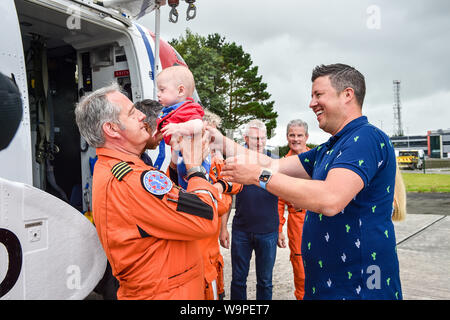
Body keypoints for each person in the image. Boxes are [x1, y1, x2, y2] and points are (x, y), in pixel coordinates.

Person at [212, 63, 402, 300]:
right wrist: (218, 140)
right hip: (326, 286)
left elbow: (330, 199)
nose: (311, 103)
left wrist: (256, 176)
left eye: (318, 94)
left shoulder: (365, 137)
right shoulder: (330, 148)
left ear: (347, 95)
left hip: (358, 287)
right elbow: (272, 164)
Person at [74, 83, 220, 300]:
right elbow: (205, 218)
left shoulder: (116, 168)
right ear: (111, 129)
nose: (143, 115)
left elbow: (162, 211)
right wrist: (196, 170)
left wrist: (172, 168)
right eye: (133, 113)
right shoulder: (131, 179)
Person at [222, 119, 279, 300]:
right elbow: (227, 195)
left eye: (263, 138)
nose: (260, 143)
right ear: (246, 138)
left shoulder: (275, 161)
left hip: (268, 231)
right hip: (242, 230)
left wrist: (282, 230)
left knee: (265, 281)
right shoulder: (236, 162)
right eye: (255, 139)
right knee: (238, 280)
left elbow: (286, 192)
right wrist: (223, 227)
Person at [155, 65, 210, 188]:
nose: (158, 94)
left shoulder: (188, 108)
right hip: (181, 156)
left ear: (180, 91)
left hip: (195, 156)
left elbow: (198, 124)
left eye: (162, 90)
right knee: (182, 187)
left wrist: (178, 127)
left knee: (195, 186)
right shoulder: (169, 110)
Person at [277, 119, 310, 300]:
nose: (295, 139)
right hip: (297, 225)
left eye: (299, 135)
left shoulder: (318, 158)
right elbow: (279, 200)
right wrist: (278, 228)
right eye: (292, 135)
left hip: (321, 223)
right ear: (287, 137)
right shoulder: (283, 164)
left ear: (306, 137)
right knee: (301, 271)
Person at [134, 99, 164, 166]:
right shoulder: (126, 162)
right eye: (161, 129)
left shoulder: (145, 159)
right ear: (145, 128)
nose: (164, 135)